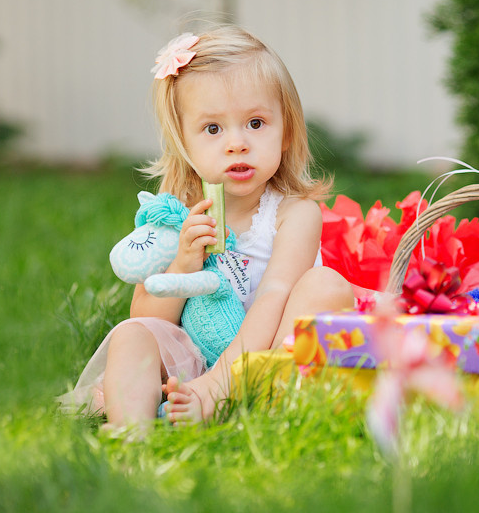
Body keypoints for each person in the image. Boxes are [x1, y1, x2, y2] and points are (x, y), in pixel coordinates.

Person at [64, 26, 355, 431]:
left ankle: (251, 398)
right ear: (184, 142)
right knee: (132, 334)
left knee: (325, 286)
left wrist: (222, 382)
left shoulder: (294, 213)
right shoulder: (181, 214)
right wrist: (183, 265)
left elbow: (274, 296)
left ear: (286, 131)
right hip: (197, 355)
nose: (237, 143)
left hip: (269, 357)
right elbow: (147, 313)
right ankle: (133, 429)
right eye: (213, 129)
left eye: (256, 123)